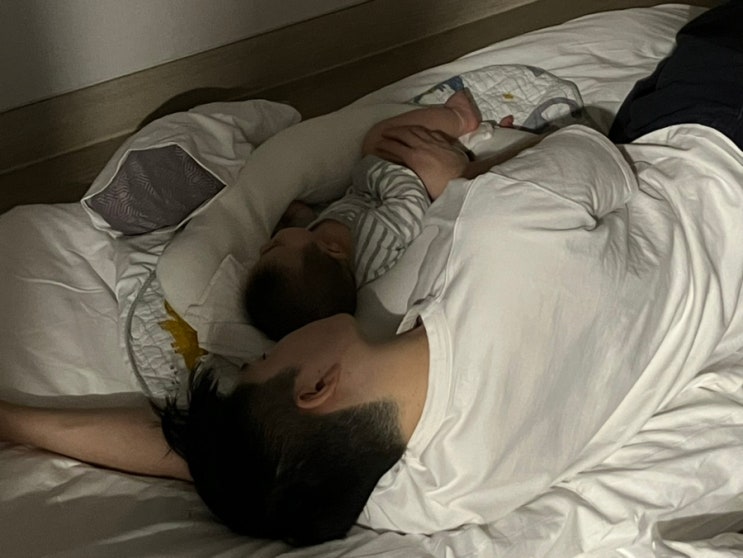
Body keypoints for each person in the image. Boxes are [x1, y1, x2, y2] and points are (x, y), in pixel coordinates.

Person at [1, 1, 742, 548]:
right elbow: (592, 154)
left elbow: (220, 466)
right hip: (716, 144)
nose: (255, 349)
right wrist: (462, 178)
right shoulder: (507, 235)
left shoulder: (411, 488)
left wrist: (14, 421)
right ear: (316, 387)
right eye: (259, 364)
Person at [244, 88, 490, 340]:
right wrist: (372, 168)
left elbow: (310, 223)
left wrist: (298, 214)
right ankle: (459, 118)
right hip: (413, 183)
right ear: (332, 249)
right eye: (274, 247)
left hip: (379, 185)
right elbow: (410, 203)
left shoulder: (319, 247)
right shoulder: (373, 242)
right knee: (378, 138)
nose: (264, 246)